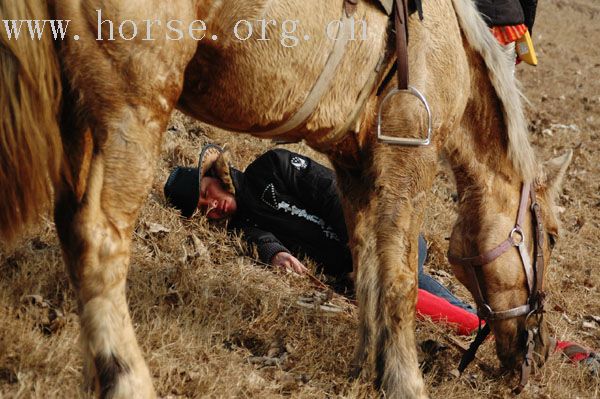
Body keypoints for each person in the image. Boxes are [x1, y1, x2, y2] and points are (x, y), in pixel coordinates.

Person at [164, 144, 475, 314]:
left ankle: (474, 320)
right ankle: (470, 321)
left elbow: (332, 194)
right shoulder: (243, 228)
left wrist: (361, 251)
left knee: (400, 273)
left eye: (207, 194)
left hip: (381, 231)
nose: (211, 205)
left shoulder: (272, 166)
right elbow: (262, 239)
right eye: (202, 209)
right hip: (356, 275)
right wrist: (277, 255)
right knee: (401, 295)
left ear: (218, 176)